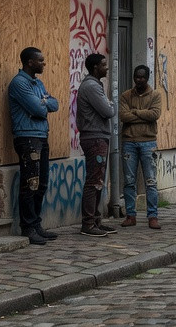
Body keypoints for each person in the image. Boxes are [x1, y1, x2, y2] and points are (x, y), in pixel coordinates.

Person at [8, 47, 60, 245]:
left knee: (42, 183)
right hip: (27, 136)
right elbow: (39, 108)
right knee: (31, 184)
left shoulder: (37, 83)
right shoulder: (19, 83)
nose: (44, 64)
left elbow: (54, 104)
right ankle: (28, 226)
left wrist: (44, 101)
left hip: (41, 136)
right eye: (41, 60)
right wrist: (43, 102)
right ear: (30, 62)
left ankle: (36, 224)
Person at [75, 54, 116, 237]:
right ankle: (88, 224)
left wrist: (108, 103)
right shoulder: (91, 86)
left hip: (98, 137)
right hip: (94, 138)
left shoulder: (94, 84)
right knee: (94, 182)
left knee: (98, 181)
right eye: (103, 65)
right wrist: (111, 104)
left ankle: (96, 221)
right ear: (94, 67)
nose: (106, 67)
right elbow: (108, 111)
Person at [119, 64, 162, 228]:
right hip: (129, 142)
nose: (139, 80)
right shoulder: (125, 95)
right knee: (129, 181)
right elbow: (123, 116)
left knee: (150, 181)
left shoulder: (155, 95)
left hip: (148, 142)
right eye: (137, 77)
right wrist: (143, 114)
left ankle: (153, 216)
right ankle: (131, 215)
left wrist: (135, 112)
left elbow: (154, 114)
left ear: (148, 77)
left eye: (142, 77)